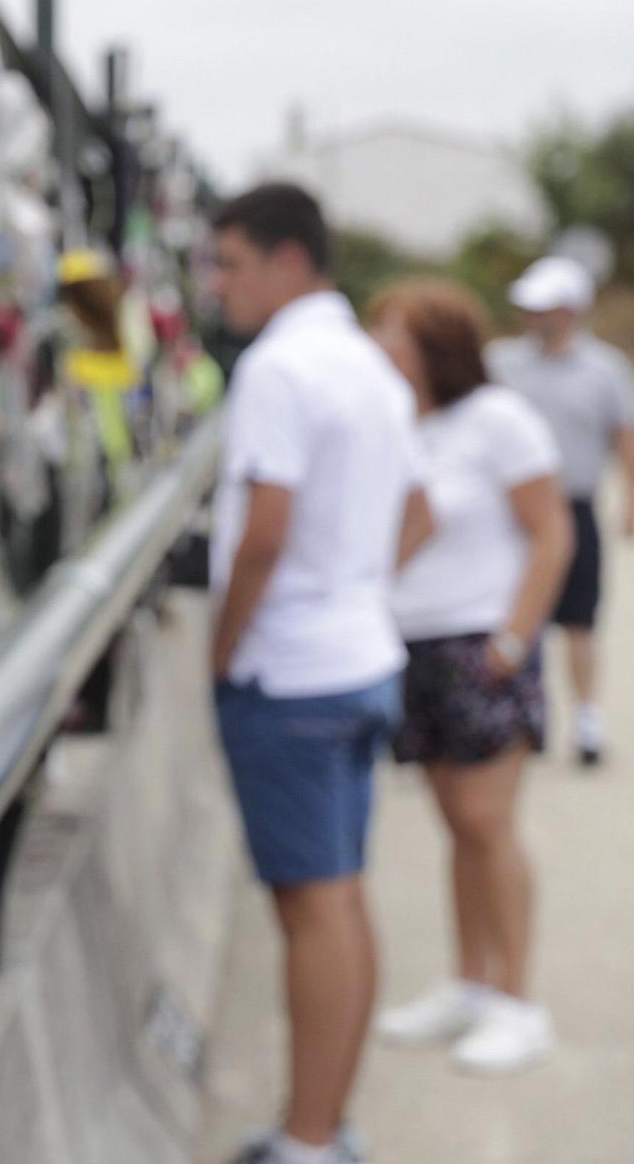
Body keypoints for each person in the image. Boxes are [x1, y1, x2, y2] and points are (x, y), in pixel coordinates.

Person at [208, 184, 428, 1164]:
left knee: (311, 907)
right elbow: (418, 508)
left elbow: (262, 532)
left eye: (229, 263)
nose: (217, 285)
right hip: (357, 655)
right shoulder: (367, 364)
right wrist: (357, 586)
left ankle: (304, 1139)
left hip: (290, 675)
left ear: (285, 260)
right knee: (337, 897)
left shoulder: (277, 366)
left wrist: (223, 651)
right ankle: (323, 1124)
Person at [369, 279, 571, 1076]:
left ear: (434, 345)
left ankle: (520, 1001)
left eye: (392, 329)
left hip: (481, 642)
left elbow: (551, 533)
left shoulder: (499, 419)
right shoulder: (406, 425)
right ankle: (470, 983)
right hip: (415, 644)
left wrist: (516, 637)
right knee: (456, 822)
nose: (379, 342)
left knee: (488, 820)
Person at [488, 255, 634, 765]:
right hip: (510, 509)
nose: (531, 316)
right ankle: (527, 716)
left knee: (579, 619)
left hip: (574, 503)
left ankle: (588, 720)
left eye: (542, 307)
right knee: (516, 612)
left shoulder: (605, 370)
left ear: (571, 311)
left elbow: (624, 435)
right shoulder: (501, 361)